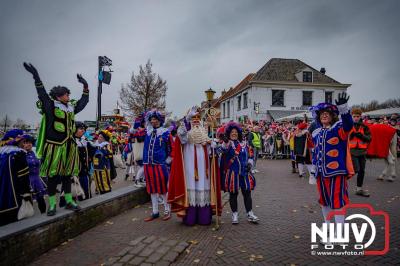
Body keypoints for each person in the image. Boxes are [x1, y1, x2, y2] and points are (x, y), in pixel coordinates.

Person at [23, 62, 89, 216]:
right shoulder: (51, 105)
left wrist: (85, 86)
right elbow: (42, 94)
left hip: (69, 146)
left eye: (68, 94)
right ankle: (52, 205)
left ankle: (69, 201)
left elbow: (83, 102)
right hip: (55, 146)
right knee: (53, 176)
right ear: (59, 96)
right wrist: (36, 76)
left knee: (67, 175)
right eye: (66, 94)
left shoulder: (71, 107)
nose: (69, 96)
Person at [309, 92, 354, 243]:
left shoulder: (338, 128)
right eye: (322, 114)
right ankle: (328, 228)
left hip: (336, 172)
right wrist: (313, 168)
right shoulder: (316, 132)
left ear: (333, 116)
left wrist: (343, 109)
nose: (324, 115)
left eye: (327, 114)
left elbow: (348, 124)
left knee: (337, 201)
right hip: (321, 173)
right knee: (324, 201)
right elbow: (315, 152)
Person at [168, 107, 221, 226]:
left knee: (204, 187)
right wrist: (186, 119)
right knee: (191, 188)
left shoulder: (205, 133)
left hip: (204, 170)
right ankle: (190, 217)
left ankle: (204, 216)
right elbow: (181, 135)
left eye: (198, 118)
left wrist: (212, 146)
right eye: (193, 118)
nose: (196, 120)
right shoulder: (186, 134)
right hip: (190, 168)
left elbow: (211, 153)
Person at [221, 121, 259, 224]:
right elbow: (223, 150)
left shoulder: (244, 143)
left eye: (236, 132)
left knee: (247, 193)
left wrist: (250, 164)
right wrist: (224, 142)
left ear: (238, 133)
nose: (234, 133)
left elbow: (250, 155)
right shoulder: (228, 144)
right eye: (232, 132)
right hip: (233, 173)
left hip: (245, 173)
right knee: (233, 194)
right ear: (229, 133)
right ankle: (234, 214)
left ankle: (250, 213)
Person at [143, 110, 171, 221]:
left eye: (155, 119)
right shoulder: (148, 131)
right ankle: (155, 212)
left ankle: (167, 210)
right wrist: (149, 113)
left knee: (163, 188)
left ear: (159, 120)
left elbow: (171, 148)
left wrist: (167, 160)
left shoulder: (165, 132)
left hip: (160, 164)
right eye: (152, 119)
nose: (153, 121)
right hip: (148, 164)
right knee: (152, 188)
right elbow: (139, 122)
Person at [0, 129, 32, 225]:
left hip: (2, 195)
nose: (24, 143)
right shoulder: (19, 154)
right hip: (15, 196)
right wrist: (27, 195)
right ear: (18, 141)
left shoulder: (2, 154)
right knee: (16, 225)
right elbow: (24, 179)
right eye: (23, 141)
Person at [349, 108, 372, 196]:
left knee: (362, 171)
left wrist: (361, 136)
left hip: (362, 151)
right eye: (354, 116)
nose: (356, 118)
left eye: (358, 116)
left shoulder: (364, 126)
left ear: (360, 116)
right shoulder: (349, 125)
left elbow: (369, 138)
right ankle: (341, 184)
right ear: (352, 116)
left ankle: (359, 189)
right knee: (356, 169)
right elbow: (345, 137)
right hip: (352, 151)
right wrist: (351, 136)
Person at [22, 134, 47, 213]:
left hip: (37, 180)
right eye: (25, 142)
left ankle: (43, 215)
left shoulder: (35, 152)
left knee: (41, 200)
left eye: (29, 142)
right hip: (27, 181)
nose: (28, 144)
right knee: (29, 202)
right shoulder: (21, 154)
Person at [74, 121, 95, 200]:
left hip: (85, 172)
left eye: (83, 129)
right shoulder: (71, 141)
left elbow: (93, 152)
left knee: (86, 193)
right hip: (74, 174)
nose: (83, 130)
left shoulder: (85, 141)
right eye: (80, 128)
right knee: (75, 194)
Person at [92, 130, 114, 194]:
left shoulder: (106, 145)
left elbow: (110, 154)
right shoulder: (95, 145)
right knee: (98, 180)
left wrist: (103, 151)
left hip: (103, 166)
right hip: (96, 166)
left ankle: (106, 192)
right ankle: (100, 190)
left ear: (104, 139)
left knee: (104, 181)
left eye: (101, 137)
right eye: (99, 136)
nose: (99, 138)